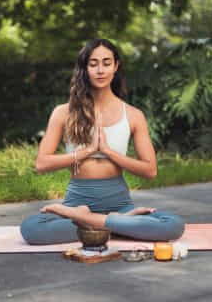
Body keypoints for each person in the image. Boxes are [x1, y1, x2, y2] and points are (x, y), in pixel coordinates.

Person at [20, 38, 185, 245]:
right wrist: (87, 151)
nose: (100, 70)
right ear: (85, 68)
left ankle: (89, 222)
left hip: (120, 204)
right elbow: (42, 164)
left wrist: (108, 151)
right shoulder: (63, 112)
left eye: (106, 63)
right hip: (76, 202)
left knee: (173, 224)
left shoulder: (133, 115)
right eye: (93, 63)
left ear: (116, 66)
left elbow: (150, 170)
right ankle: (120, 226)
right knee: (31, 229)